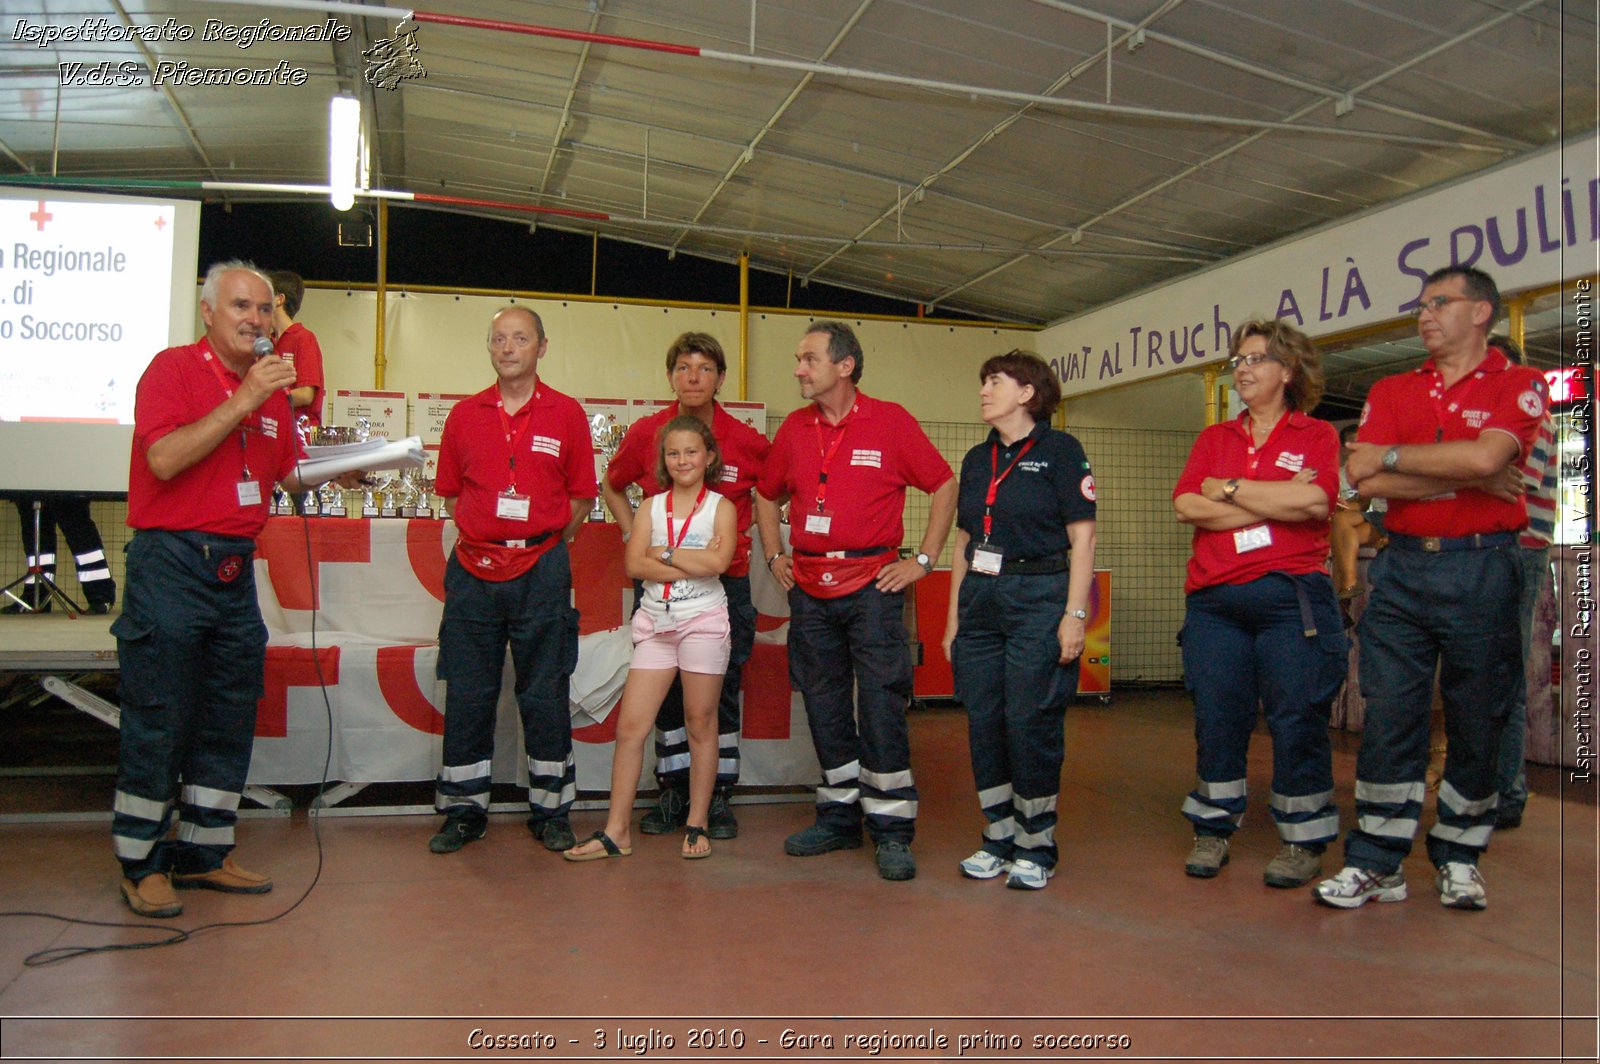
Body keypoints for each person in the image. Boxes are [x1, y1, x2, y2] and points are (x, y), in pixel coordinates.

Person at [110, 261, 358, 919]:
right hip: (171, 564)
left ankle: (205, 852)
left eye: (265, 309)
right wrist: (244, 397)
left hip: (233, 570)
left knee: (226, 714)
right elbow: (164, 459)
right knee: (161, 714)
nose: (256, 319)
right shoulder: (172, 372)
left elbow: (291, 474)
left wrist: (351, 469)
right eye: (242, 306)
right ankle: (142, 862)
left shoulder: (273, 393)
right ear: (208, 313)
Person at [1316, 265, 1544, 911]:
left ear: (1481, 313)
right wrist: (1450, 472)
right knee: (1390, 715)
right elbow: (1359, 475)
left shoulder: (1519, 383)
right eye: (1420, 305)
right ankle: (1376, 862)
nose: (1424, 315)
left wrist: (1394, 458)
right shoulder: (1393, 387)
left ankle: (1460, 855)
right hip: (1403, 567)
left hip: (1483, 568)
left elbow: (1485, 458)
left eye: (1439, 303)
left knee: (1479, 717)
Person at [754, 320, 956, 881]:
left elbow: (944, 484)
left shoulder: (890, 421)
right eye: (798, 358)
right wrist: (775, 555)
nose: (798, 368)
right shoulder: (794, 429)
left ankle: (892, 829)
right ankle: (839, 818)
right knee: (822, 701)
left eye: (809, 358)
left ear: (845, 366)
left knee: (882, 702)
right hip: (811, 592)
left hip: (874, 586)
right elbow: (766, 495)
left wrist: (923, 561)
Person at [1172, 319, 1345, 888]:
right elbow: (1187, 506)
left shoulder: (1316, 435)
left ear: (1287, 371)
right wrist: (1278, 503)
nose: (1242, 369)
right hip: (1215, 603)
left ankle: (1303, 840)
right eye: (1238, 361)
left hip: (1291, 602)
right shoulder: (1213, 439)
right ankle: (1214, 827)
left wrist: (1231, 489)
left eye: (1255, 359)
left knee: (1298, 717)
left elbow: (1318, 502)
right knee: (1218, 715)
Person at [427, 305, 596, 856]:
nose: (507, 347)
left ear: (541, 347)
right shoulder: (464, 415)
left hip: (542, 570)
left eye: (520, 338)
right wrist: (491, 535)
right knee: (470, 690)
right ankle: (462, 809)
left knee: (544, 691)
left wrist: (540, 543)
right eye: (498, 338)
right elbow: (451, 493)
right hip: (474, 571)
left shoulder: (568, 414)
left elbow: (581, 499)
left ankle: (551, 810)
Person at [601, 333, 770, 840]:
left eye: (704, 368)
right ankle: (671, 790)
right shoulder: (651, 431)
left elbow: (774, 491)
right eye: (682, 367)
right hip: (660, 590)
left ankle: (716, 798)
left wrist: (769, 547)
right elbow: (612, 483)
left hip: (725, 588)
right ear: (671, 375)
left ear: (720, 378)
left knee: (719, 696)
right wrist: (635, 533)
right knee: (664, 700)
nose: (693, 377)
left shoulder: (745, 439)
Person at [940, 350, 1096, 891]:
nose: (984, 390)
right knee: (984, 718)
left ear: (1028, 392)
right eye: (983, 381)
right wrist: (953, 621)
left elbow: (1083, 538)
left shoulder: (1061, 451)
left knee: (1030, 720)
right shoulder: (976, 459)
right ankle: (998, 835)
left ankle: (1037, 843)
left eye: (996, 381)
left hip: (1040, 594)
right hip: (982, 597)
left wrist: (1074, 615)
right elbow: (963, 541)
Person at [567, 416, 736, 861]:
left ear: (709, 457)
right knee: (630, 728)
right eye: (673, 453)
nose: (682, 460)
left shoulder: (721, 507)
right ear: (664, 460)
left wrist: (662, 552)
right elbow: (634, 566)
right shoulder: (650, 507)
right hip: (655, 625)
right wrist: (686, 559)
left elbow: (719, 563)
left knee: (700, 723)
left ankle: (697, 823)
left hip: (703, 623)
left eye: (692, 452)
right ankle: (615, 831)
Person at [1487, 336, 1557, 830]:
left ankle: (1506, 793)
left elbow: (1507, 479)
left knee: (1502, 676)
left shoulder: (1533, 417)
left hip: (1519, 551)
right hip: (1505, 552)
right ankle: (1492, 788)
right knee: (1488, 676)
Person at [3, 493, 116, 614]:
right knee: (35, 532)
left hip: (68, 484)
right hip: (29, 483)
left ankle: (101, 597)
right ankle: (36, 597)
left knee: (78, 529)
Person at [1330, 423, 1386, 612]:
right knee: (1341, 527)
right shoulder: (1344, 473)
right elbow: (1362, 504)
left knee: (1340, 534)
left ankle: (1342, 603)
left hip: (1393, 518)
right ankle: (1348, 586)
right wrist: (1340, 505)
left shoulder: (1386, 463)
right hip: (1376, 515)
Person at [266, 271, 325, 427]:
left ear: (279, 299)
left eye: (264, 294)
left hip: (299, 434)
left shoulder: (303, 338)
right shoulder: (266, 343)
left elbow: (306, 394)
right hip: (274, 429)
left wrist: (263, 401)